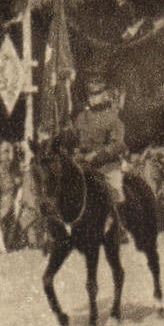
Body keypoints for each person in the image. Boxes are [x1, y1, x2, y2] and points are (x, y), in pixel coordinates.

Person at [71, 76, 128, 239]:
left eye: (97, 94)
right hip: (83, 164)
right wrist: (76, 153)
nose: (93, 98)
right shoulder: (81, 118)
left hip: (106, 165)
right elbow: (75, 140)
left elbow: (118, 144)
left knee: (114, 190)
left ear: (104, 95)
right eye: (90, 94)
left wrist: (97, 155)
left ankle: (118, 227)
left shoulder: (112, 117)